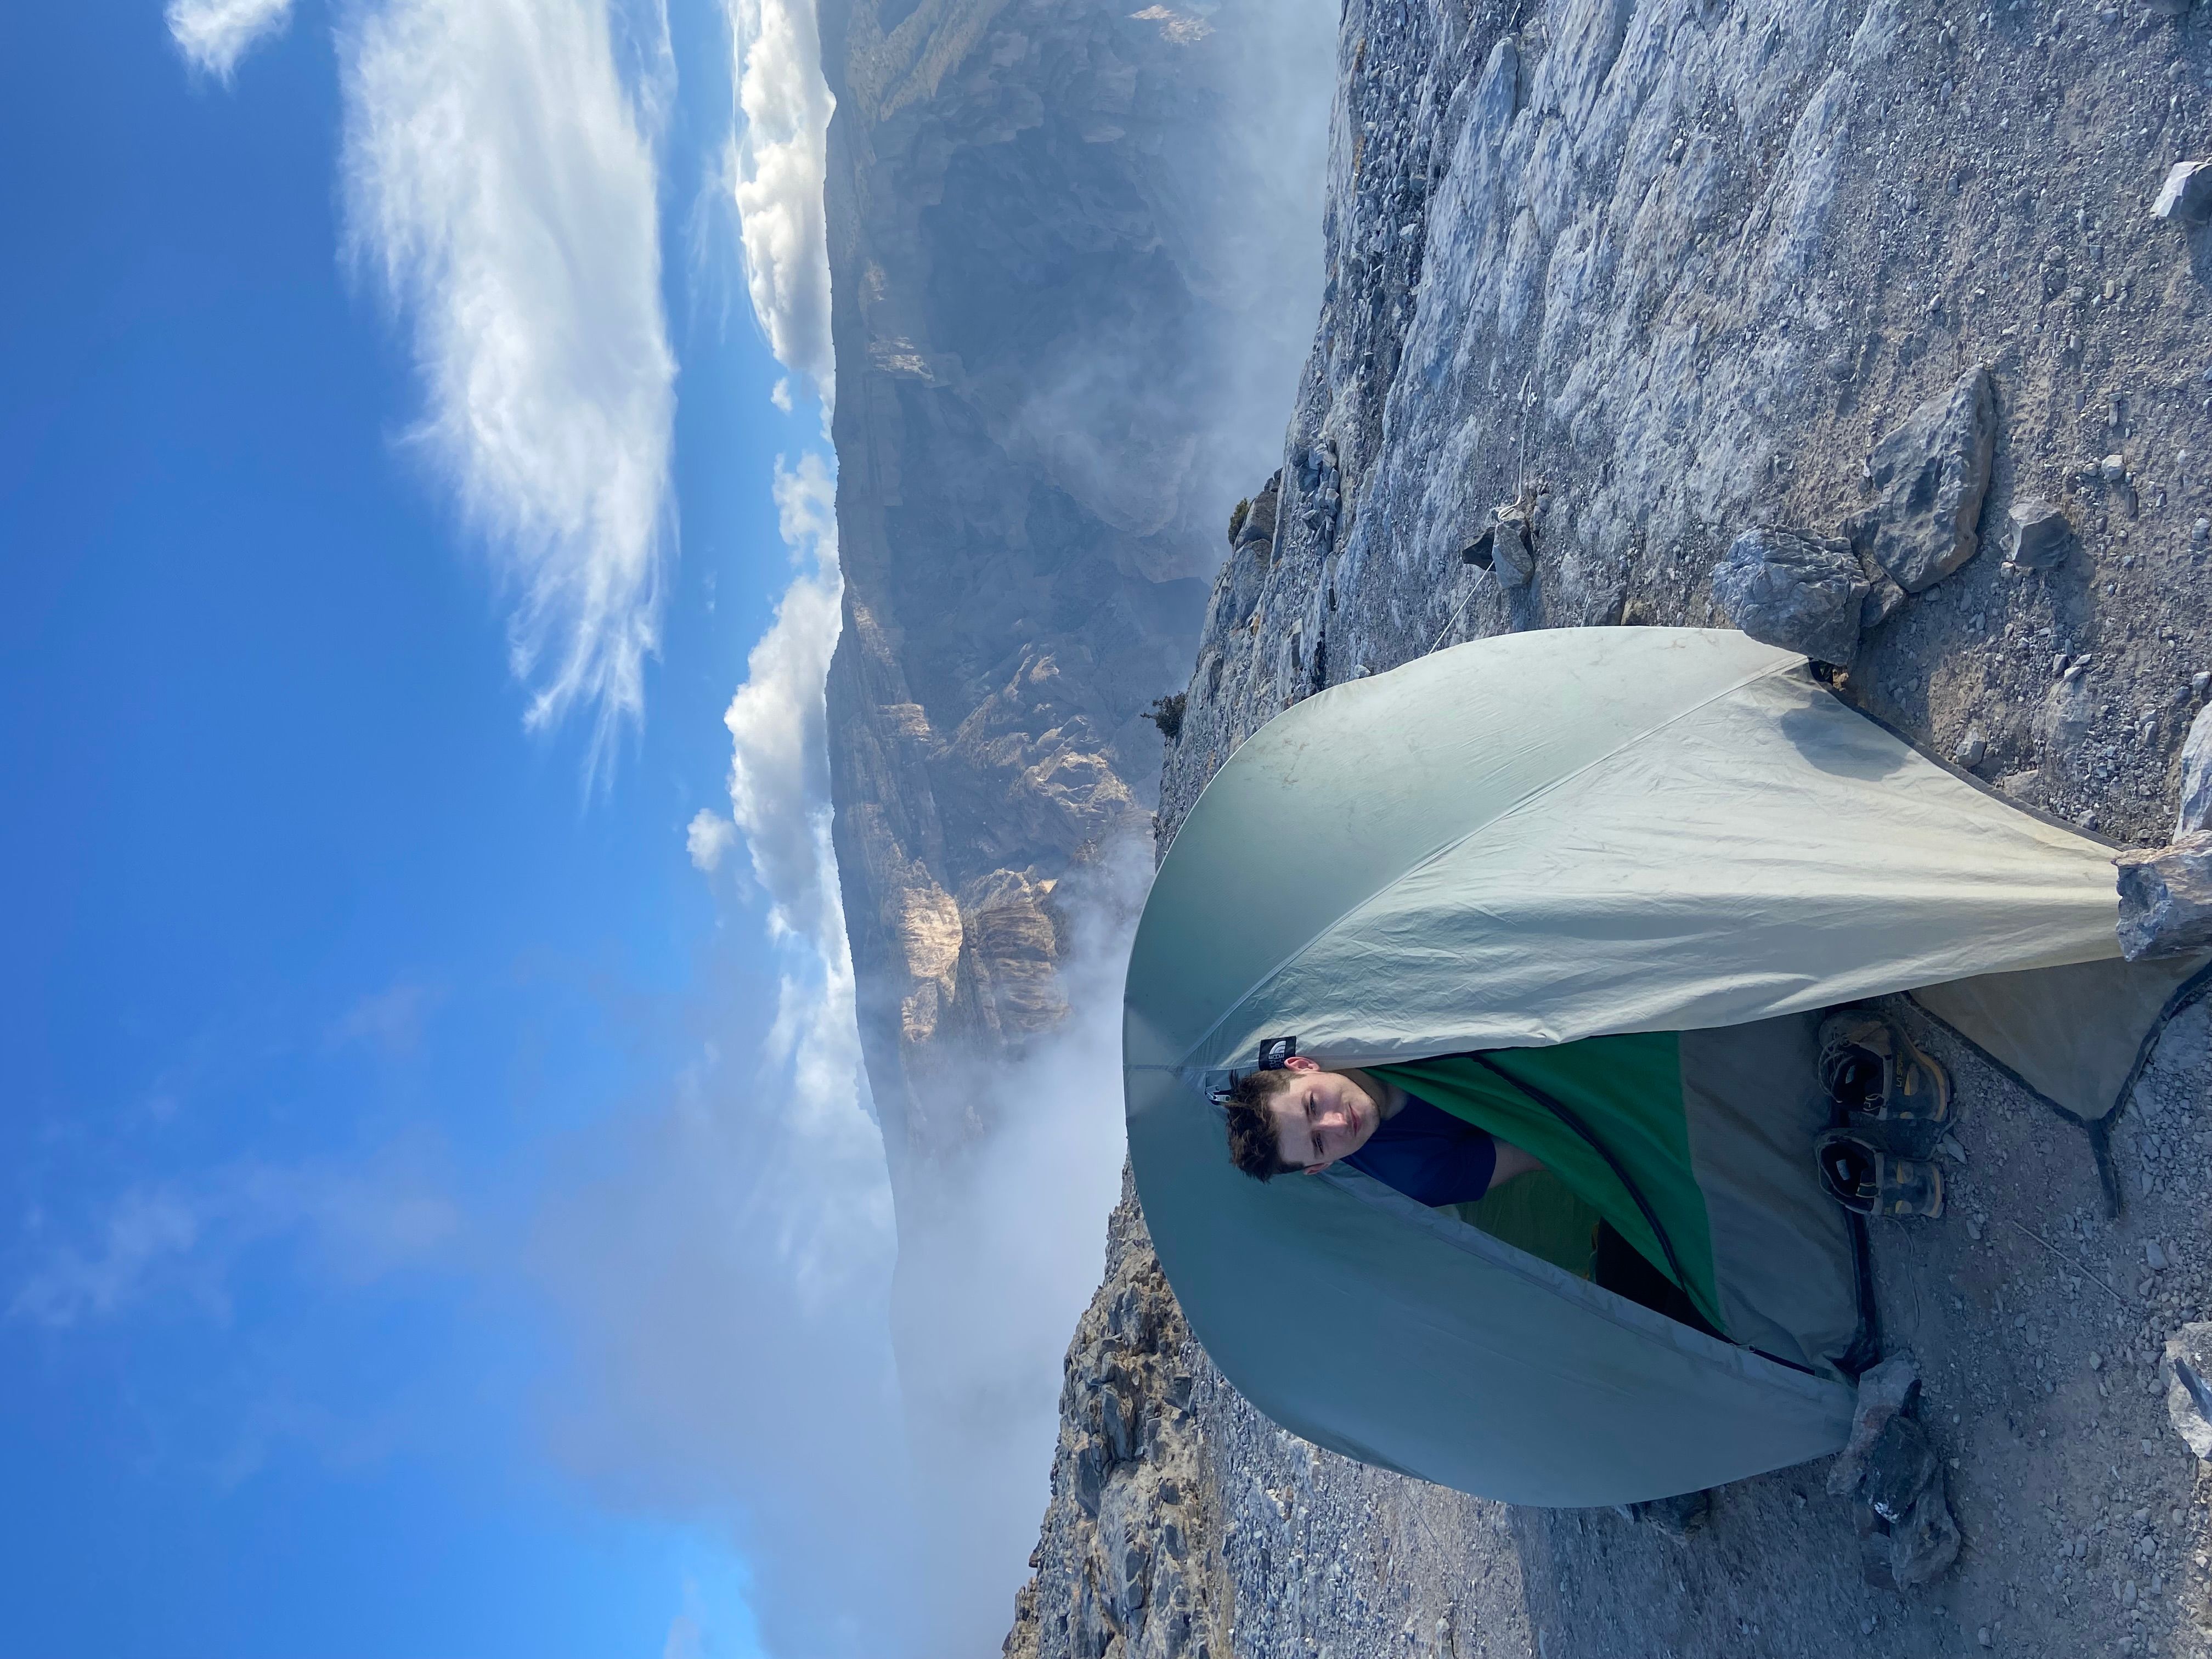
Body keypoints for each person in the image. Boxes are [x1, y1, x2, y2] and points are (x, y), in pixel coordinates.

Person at [1222, 1054, 1543, 1204]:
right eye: (1319, 1143)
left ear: (1304, 1066)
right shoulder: (1415, 1175)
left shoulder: (1364, 1030)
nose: (1338, 1123)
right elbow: (1541, 1149)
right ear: (1320, 1167)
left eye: (1313, 1105)